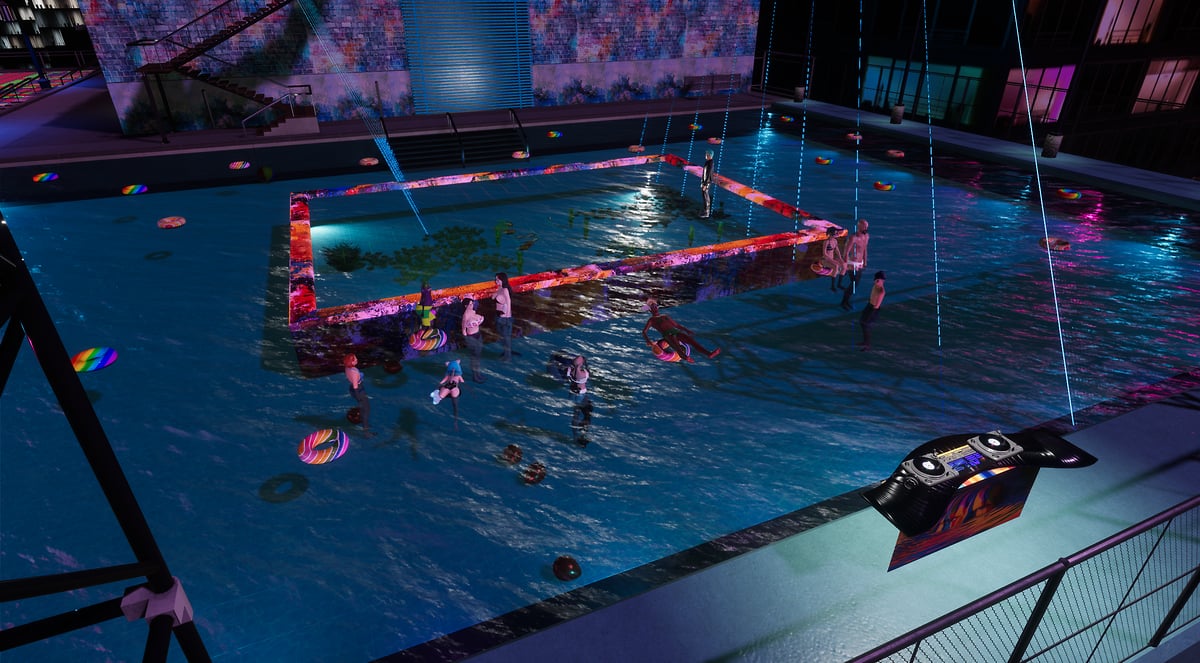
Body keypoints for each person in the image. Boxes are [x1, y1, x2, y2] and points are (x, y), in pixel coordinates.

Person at [642, 298, 720, 363]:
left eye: (655, 306)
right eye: (652, 307)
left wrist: (687, 330)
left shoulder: (665, 316)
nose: (655, 308)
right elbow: (644, 331)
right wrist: (648, 341)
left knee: (692, 342)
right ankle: (686, 357)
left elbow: (676, 325)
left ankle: (709, 354)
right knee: (677, 347)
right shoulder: (651, 320)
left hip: (675, 331)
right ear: (650, 310)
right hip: (668, 335)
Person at [839, 219, 871, 311]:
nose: (866, 228)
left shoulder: (867, 236)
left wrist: (865, 261)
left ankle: (846, 300)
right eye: (865, 227)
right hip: (852, 263)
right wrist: (845, 265)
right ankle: (843, 302)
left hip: (860, 263)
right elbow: (846, 251)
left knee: (855, 284)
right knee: (854, 283)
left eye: (867, 226)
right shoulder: (853, 237)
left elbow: (865, 249)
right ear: (859, 227)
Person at [343, 354, 374, 437]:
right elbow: (355, 387)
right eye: (355, 359)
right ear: (351, 362)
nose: (357, 360)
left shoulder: (348, 368)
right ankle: (366, 432)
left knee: (364, 409)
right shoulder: (354, 372)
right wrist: (359, 399)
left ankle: (365, 425)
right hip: (358, 391)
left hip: (355, 389)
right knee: (366, 410)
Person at [460, 297, 486, 382]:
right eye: (470, 304)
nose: (472, 305)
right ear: (465, 306)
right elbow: (463, 330)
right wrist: (467, 339)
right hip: (471, 337)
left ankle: (478, 373)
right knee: (474, 357)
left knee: (478, 356)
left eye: (472, 303)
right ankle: (475, 376)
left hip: (478, 334)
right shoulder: (465, 315)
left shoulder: (473, 311)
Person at [859, 271, 886, 350]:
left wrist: (870, 314)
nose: (875, 281)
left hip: (873, 309)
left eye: (877, 280)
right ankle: (865, 342)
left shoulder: (881, 292)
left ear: (882, 280)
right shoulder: (875, 285)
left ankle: (867, 345)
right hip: (869, 305)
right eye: (875, 280)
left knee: (866, 325)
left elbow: (877, 306)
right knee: (862, 323)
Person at [493, 272, 514, 362]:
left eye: (498, 279)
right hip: (499, 316)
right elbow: (493, 297)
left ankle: (507, 356)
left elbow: (509, 302)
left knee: (506, 337)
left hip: (504, 317)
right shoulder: (500, 288)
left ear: (503, 280)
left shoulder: (505, 290)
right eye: (495, 279)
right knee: (502, 336)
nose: (496, 281)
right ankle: (506, 352)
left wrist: (507, 317)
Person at [699, 149, 715, 218]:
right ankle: (705, 211)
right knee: (704, 195)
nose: (705, 155)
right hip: (705, 182)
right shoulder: (707, 162)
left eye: (706, 154)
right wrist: (702, 182)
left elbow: (708, 174)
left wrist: (705, 184)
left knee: (706, 196)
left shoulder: (710, 162)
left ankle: (707, 212)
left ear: (709, 155)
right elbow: (704, 173)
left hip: (707, 182)